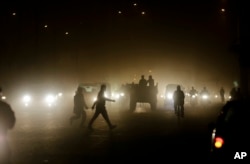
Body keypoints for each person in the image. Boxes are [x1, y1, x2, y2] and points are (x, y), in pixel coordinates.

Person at [0, 87, 16, 163]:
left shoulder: (5, 106)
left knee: (5, 154)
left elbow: (11, 118)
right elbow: (11, 119)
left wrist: (10, 124)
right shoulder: (5, 106)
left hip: (2, 134)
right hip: (2, 134)